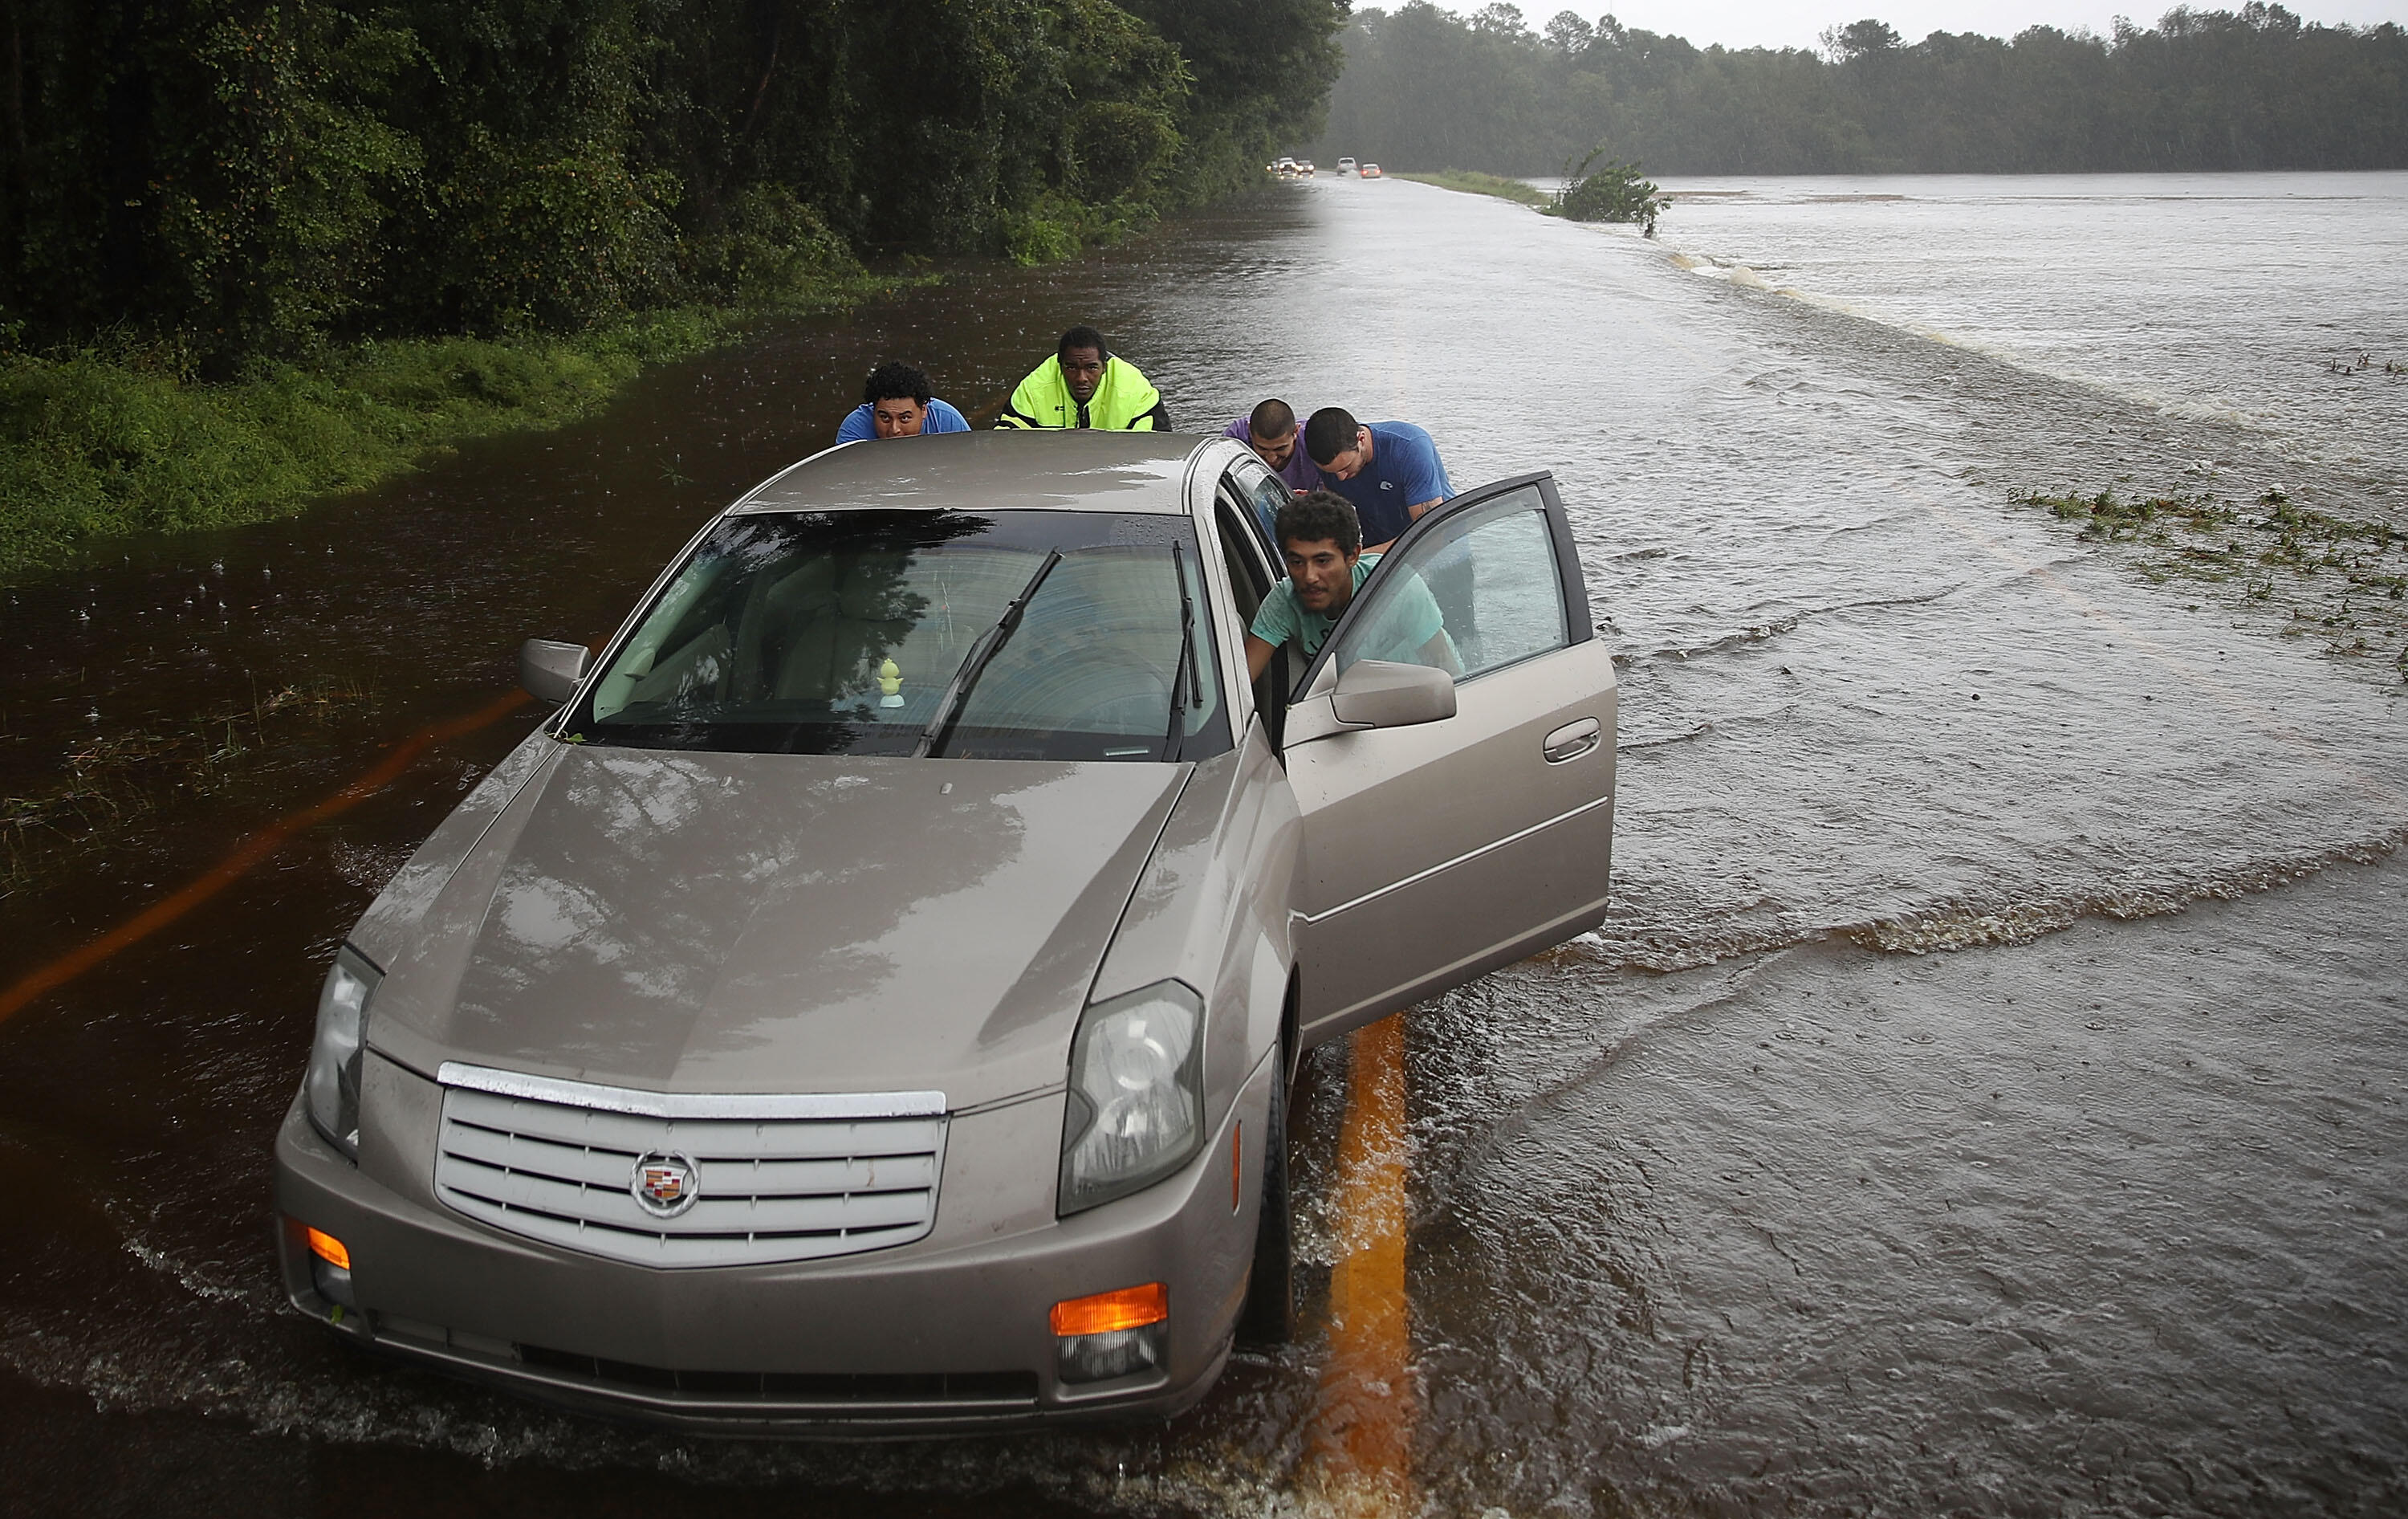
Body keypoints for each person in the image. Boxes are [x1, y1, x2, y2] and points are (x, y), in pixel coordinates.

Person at [1244, 490, 1455, 685]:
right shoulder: (1286, 600)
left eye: (1323, 561)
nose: (1309, 577)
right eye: (1297, 562)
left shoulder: (1395, 588)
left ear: (1353, 556)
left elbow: (1446, 666)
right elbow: (1241, 682)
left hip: (1418, 700)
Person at [1303, 406, 1454, 554]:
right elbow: (1335, 514)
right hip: (1377, 548)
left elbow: (1430, 536)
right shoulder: (1327, 458)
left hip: (1443, 550)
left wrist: (1357, 557)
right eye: (1331, 472)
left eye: (1346, 468)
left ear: (1361, 439)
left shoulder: (1410, 449)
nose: (1340, 478)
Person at [996, 325, 1171, 430]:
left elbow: (1158, 449)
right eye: (1071, 367)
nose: (1081, 378)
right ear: (1059, 365)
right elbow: (1006, 447)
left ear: (1105, 367)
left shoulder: (1134, 391)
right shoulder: (1034, 389)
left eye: (1091, 368)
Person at [836, 361, 972, 442]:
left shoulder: (948, 422)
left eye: (905, 418)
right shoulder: (854, 431)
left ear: (924, 410)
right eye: (885, 418)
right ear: (873, 410)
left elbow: (972, 469)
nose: (894, 430)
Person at [1221, 398, 1325, 492]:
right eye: (1262, 448)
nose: (1271, 459)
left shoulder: (1315, 439)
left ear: (1296, 431)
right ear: (1249, 431)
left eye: (1281, 448)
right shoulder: (1236, 438)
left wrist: (1314, 498)